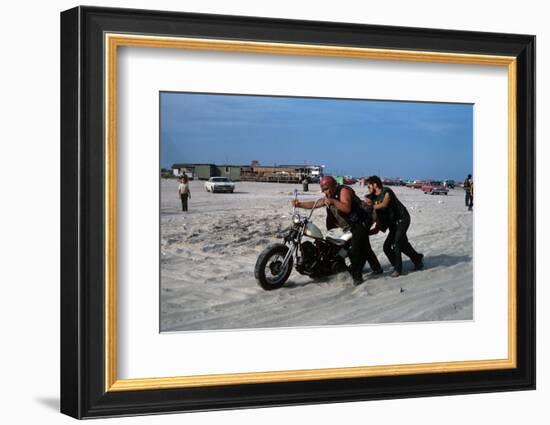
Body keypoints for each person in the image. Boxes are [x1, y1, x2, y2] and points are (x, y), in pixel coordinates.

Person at [292, 175, 382, 286]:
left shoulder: (343, 191)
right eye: (323, 189)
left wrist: (333, 202)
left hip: (360, 222)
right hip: (351, 224)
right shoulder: (328, 196)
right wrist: (299, 204)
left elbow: (347, 208)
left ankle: (357, 278)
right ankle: (377, 268)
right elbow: (316, 203)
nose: (325, 192)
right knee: (365, 246)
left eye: (326, 189)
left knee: (355, 251)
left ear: (332, 186)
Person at [366, 175, 423, 277]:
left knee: (397, 243)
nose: (368, 188)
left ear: (375, 184)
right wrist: (368, 230)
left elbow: (384, 204)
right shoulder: (373, 198)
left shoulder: (386, 191)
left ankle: (398, 269)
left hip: (402, 219)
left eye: (369, 186)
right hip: (393, 223)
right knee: (389, 247)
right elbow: (376, 219)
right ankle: (417, 259)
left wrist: (372, 207)